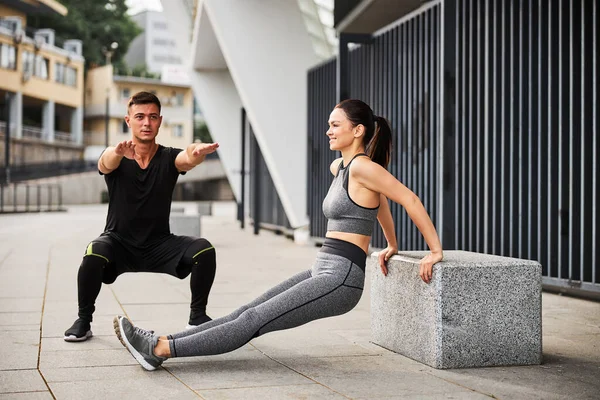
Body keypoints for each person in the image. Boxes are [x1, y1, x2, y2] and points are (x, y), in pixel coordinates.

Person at [113, 99, 443, 370]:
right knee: (246, 310)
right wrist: (392, 245)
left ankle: (159, 349)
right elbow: (380, 203)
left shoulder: (362, 167)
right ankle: (163, 341)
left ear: (358, 131)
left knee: (255, 319)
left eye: (335, 125)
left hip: (341, 278)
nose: (328, 130)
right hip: (323, 267)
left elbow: (408, 199)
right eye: (328, 124)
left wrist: (435, 251)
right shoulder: (341, 168)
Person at [64, 91, 219, 342]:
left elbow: (187, 158)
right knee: (94, 252)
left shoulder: (168, 157)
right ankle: (83, 320)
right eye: (140, 117)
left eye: (153, 117)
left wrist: (196, 152)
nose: (146, 122)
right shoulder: (116, 155)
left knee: (204, 250)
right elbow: (105, 164)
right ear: (128, 121)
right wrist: (118, 152)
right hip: (118, 243)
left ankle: (197, 319)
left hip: (160, 244)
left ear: (160, 121)